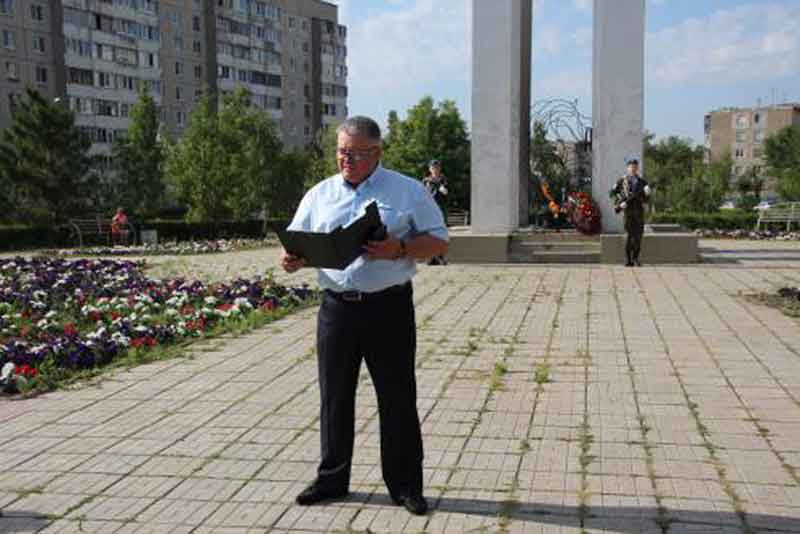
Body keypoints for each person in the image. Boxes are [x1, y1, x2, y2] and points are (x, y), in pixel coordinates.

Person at [281, 116, 449, 516]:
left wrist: (399, 248)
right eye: (341, 151)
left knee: (397, 398)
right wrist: (292, 259)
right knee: (335, 397)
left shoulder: (407, 190)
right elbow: (295, 241)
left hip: (387, 307)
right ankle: (332, 479)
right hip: (336, 310)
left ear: (377, 152)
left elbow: (439, 241)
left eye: (355, 153)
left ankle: (405, 485)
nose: (346, 160)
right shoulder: (319, 194)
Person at [612, 158, 650, 266]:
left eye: (635, 167)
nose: (633, 169)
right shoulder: (622, 181)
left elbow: (646, 200)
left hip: (638, 213)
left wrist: (647, 194)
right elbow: (612, 193)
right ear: (627, 168)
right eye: (631, 167)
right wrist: (619, 204)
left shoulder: (642, 182)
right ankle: (628, 260)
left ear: (637, 168)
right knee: (628, 236)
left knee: (638, 236)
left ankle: (636, 258)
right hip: (627, 212)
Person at [422, 160, 449, 265]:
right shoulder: (426, 180)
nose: (435, 169)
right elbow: (422, 194)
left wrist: (444, 190)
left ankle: (440, 256)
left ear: (440, 168)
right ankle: (431, 257)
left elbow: (446, 192)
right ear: (430, 169)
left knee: (441, 233)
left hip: (441, 209)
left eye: (437, 167)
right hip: (429, 209)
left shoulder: (443, 179)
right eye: (433, 167)